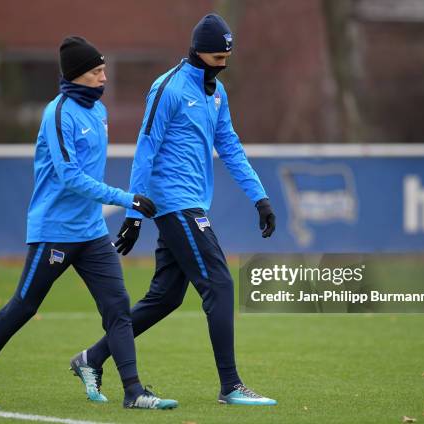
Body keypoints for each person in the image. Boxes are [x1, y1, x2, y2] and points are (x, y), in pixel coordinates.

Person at [0, 36, 177, 411]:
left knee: (118, 306)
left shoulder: (99, 112)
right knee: (23, 307)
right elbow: (69, 176)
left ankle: (134, 391)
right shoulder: (57, 114)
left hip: (91, 233)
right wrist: (126, 199)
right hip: (53, 232)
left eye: (104, 69)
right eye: (96, 71)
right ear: (76, 75)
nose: (104, 77)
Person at [77, 14, 278, 406]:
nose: (222, 64)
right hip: (174, 204)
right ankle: (231, 386)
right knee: (219, 284)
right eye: (217, 57)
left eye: (227, 57)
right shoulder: (167, 88)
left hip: (193, 202)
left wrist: (261, 197)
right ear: (199, 51)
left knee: (165, 297)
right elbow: (145, 149)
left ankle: (92, 358)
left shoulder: (217, 94)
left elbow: (231, 148)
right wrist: (134, 214)